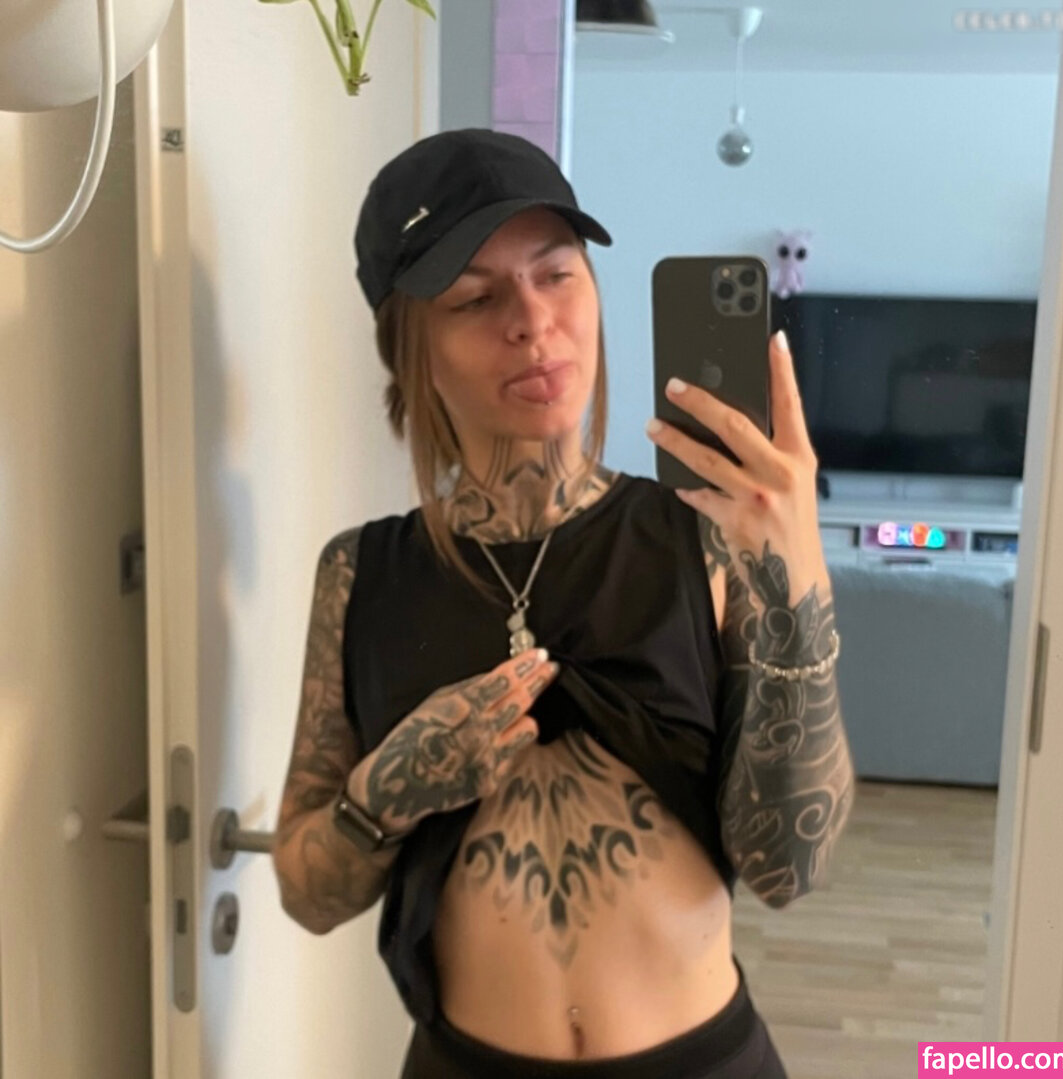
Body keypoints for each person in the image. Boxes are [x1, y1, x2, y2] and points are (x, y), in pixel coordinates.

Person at [271, 127, 854, 1079]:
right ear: (410, 350)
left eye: (558, 274)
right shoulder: (361, 576)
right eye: (475, 298)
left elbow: (790, 866)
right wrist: (383, 794)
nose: (534, 322)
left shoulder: (706, 537)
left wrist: (798, 577)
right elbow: (307, 891)